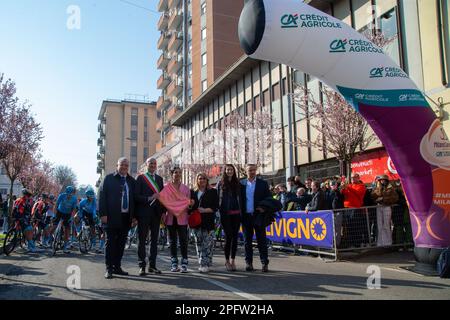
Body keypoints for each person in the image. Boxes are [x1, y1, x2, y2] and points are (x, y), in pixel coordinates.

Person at [98, 157, 136, 279]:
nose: (124, 167)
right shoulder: (108, 179)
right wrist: (103, 214)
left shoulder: (131, 181)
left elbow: (134, 200)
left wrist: (134, 217)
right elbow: (101, 197)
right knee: (110, 244)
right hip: (111, 216)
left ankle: (117, 267)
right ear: (117, 165)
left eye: (126, 165)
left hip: (126, 217)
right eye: (122, 165)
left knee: (121, 244)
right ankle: (109, 269)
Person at [158, 166, 193, 273]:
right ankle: (174, 263)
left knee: (183, 240)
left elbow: (188, 204)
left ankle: (184, 263)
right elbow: (162, 203)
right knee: (172, 241)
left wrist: (189, 204)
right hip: (170, 218)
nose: (177, 174)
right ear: (171, 174)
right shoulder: (166, 187)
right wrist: (163, 213)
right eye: (175, 172)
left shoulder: (186, 188)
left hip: (182, 218)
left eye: (179, 173)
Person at [134, 158, 165, 276]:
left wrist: (163, 212)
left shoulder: (160, 179)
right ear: (146, 165)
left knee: (154, 241)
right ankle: (142, 265)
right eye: (150, 163)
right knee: (142, 240)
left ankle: (152, 266)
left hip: (156, 214)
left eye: (154, 163)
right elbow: (136, 196)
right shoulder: (141, 178)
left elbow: (162, 198)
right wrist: (149, 198)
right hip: (143, 213)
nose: (152, 165)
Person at [240, 164, 272, 272]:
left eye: (253, 170)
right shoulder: (241, 184)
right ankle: (249, 263)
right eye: (250, 170)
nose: (252, 172)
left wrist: (264, 208)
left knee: (261, 240)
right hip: (246, 216)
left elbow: (269, 198)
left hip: (258, 216)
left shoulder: (263, 184)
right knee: (247, 241)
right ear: (246, 171)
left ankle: (264, 263)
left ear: (256, 171)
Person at [191, 173, 219, 273]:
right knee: (199, 244)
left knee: (208, 244)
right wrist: (191, 206)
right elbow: (190, 208)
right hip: (196, 222)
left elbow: (215, 207)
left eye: (204, 178)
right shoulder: (193, 192)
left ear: (207, 180)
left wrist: (204, 210)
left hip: (208, 221)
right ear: (197, 180)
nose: (202, 180)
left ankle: (207, 263)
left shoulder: (213, 192)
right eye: (200, 178)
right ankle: (203, 263)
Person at [217, 164, 242, 272]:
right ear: (225, 171)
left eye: (231, 169)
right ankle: (227, 260)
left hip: (236, 213)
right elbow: (217, 198)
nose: (229, 171)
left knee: (235, 237)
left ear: (234, 171)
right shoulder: (220, 183)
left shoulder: (238, 183)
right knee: (229, 236)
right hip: (225, 214)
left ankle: (233, 260)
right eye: (227, 169)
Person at [371, 174, 399, 247]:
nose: (382, 181)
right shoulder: (378, 188)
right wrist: (377, 193)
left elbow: (395, 198)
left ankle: (388, 243)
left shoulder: (391, 188)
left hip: (387, 206)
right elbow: (372, 196)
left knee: (386, 225)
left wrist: (383, 199)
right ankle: (380, 243)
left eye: (383, 180)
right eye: (381, 180)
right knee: (379, 225)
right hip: (379, 207)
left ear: (386, 180)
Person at [53, 186, 78, 254]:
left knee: (67, 230)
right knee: (54, 226)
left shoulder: (74, 199)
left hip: (68, 214)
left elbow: (74, 209)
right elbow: (56, 205)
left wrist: (72, 217)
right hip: (59, 212)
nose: (69, 196)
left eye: (70, 194)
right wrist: (54, 215)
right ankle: (52, 238)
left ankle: (65, 247)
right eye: (67, 194)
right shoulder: (61, 196)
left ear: (73, 194)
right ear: (65, 193)